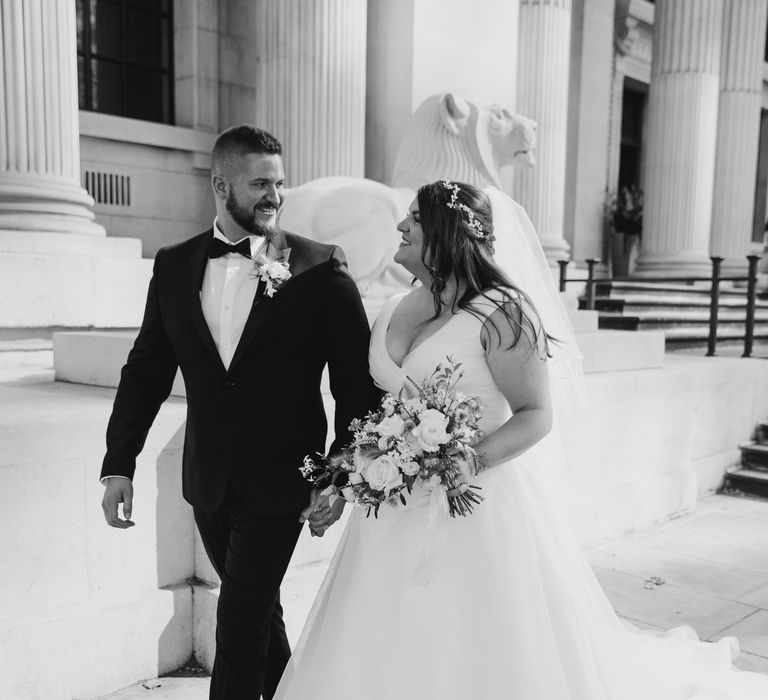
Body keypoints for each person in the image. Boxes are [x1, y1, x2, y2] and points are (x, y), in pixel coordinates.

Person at [275, 181, 768, 699]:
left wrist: (469, 461)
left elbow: (536, 414)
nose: (399, 227)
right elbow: (378, 410)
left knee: (464, 641)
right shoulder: (396, 305)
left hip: (472, 509)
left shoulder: (503, 312)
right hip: (388, 509)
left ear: (446, 233)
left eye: (414, 219)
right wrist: (347, 477)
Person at [100, 125, 379, 700]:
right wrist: (118, 463)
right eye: (259, 184)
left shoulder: (320, 269)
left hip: (286, 482)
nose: (274, 195)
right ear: (220, 184)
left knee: (237, 622)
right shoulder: (174, 266)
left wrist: (340, 473)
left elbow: (356, 386)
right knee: (259, 619)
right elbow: (146, 371)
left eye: (279, 183)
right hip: (209, 482)